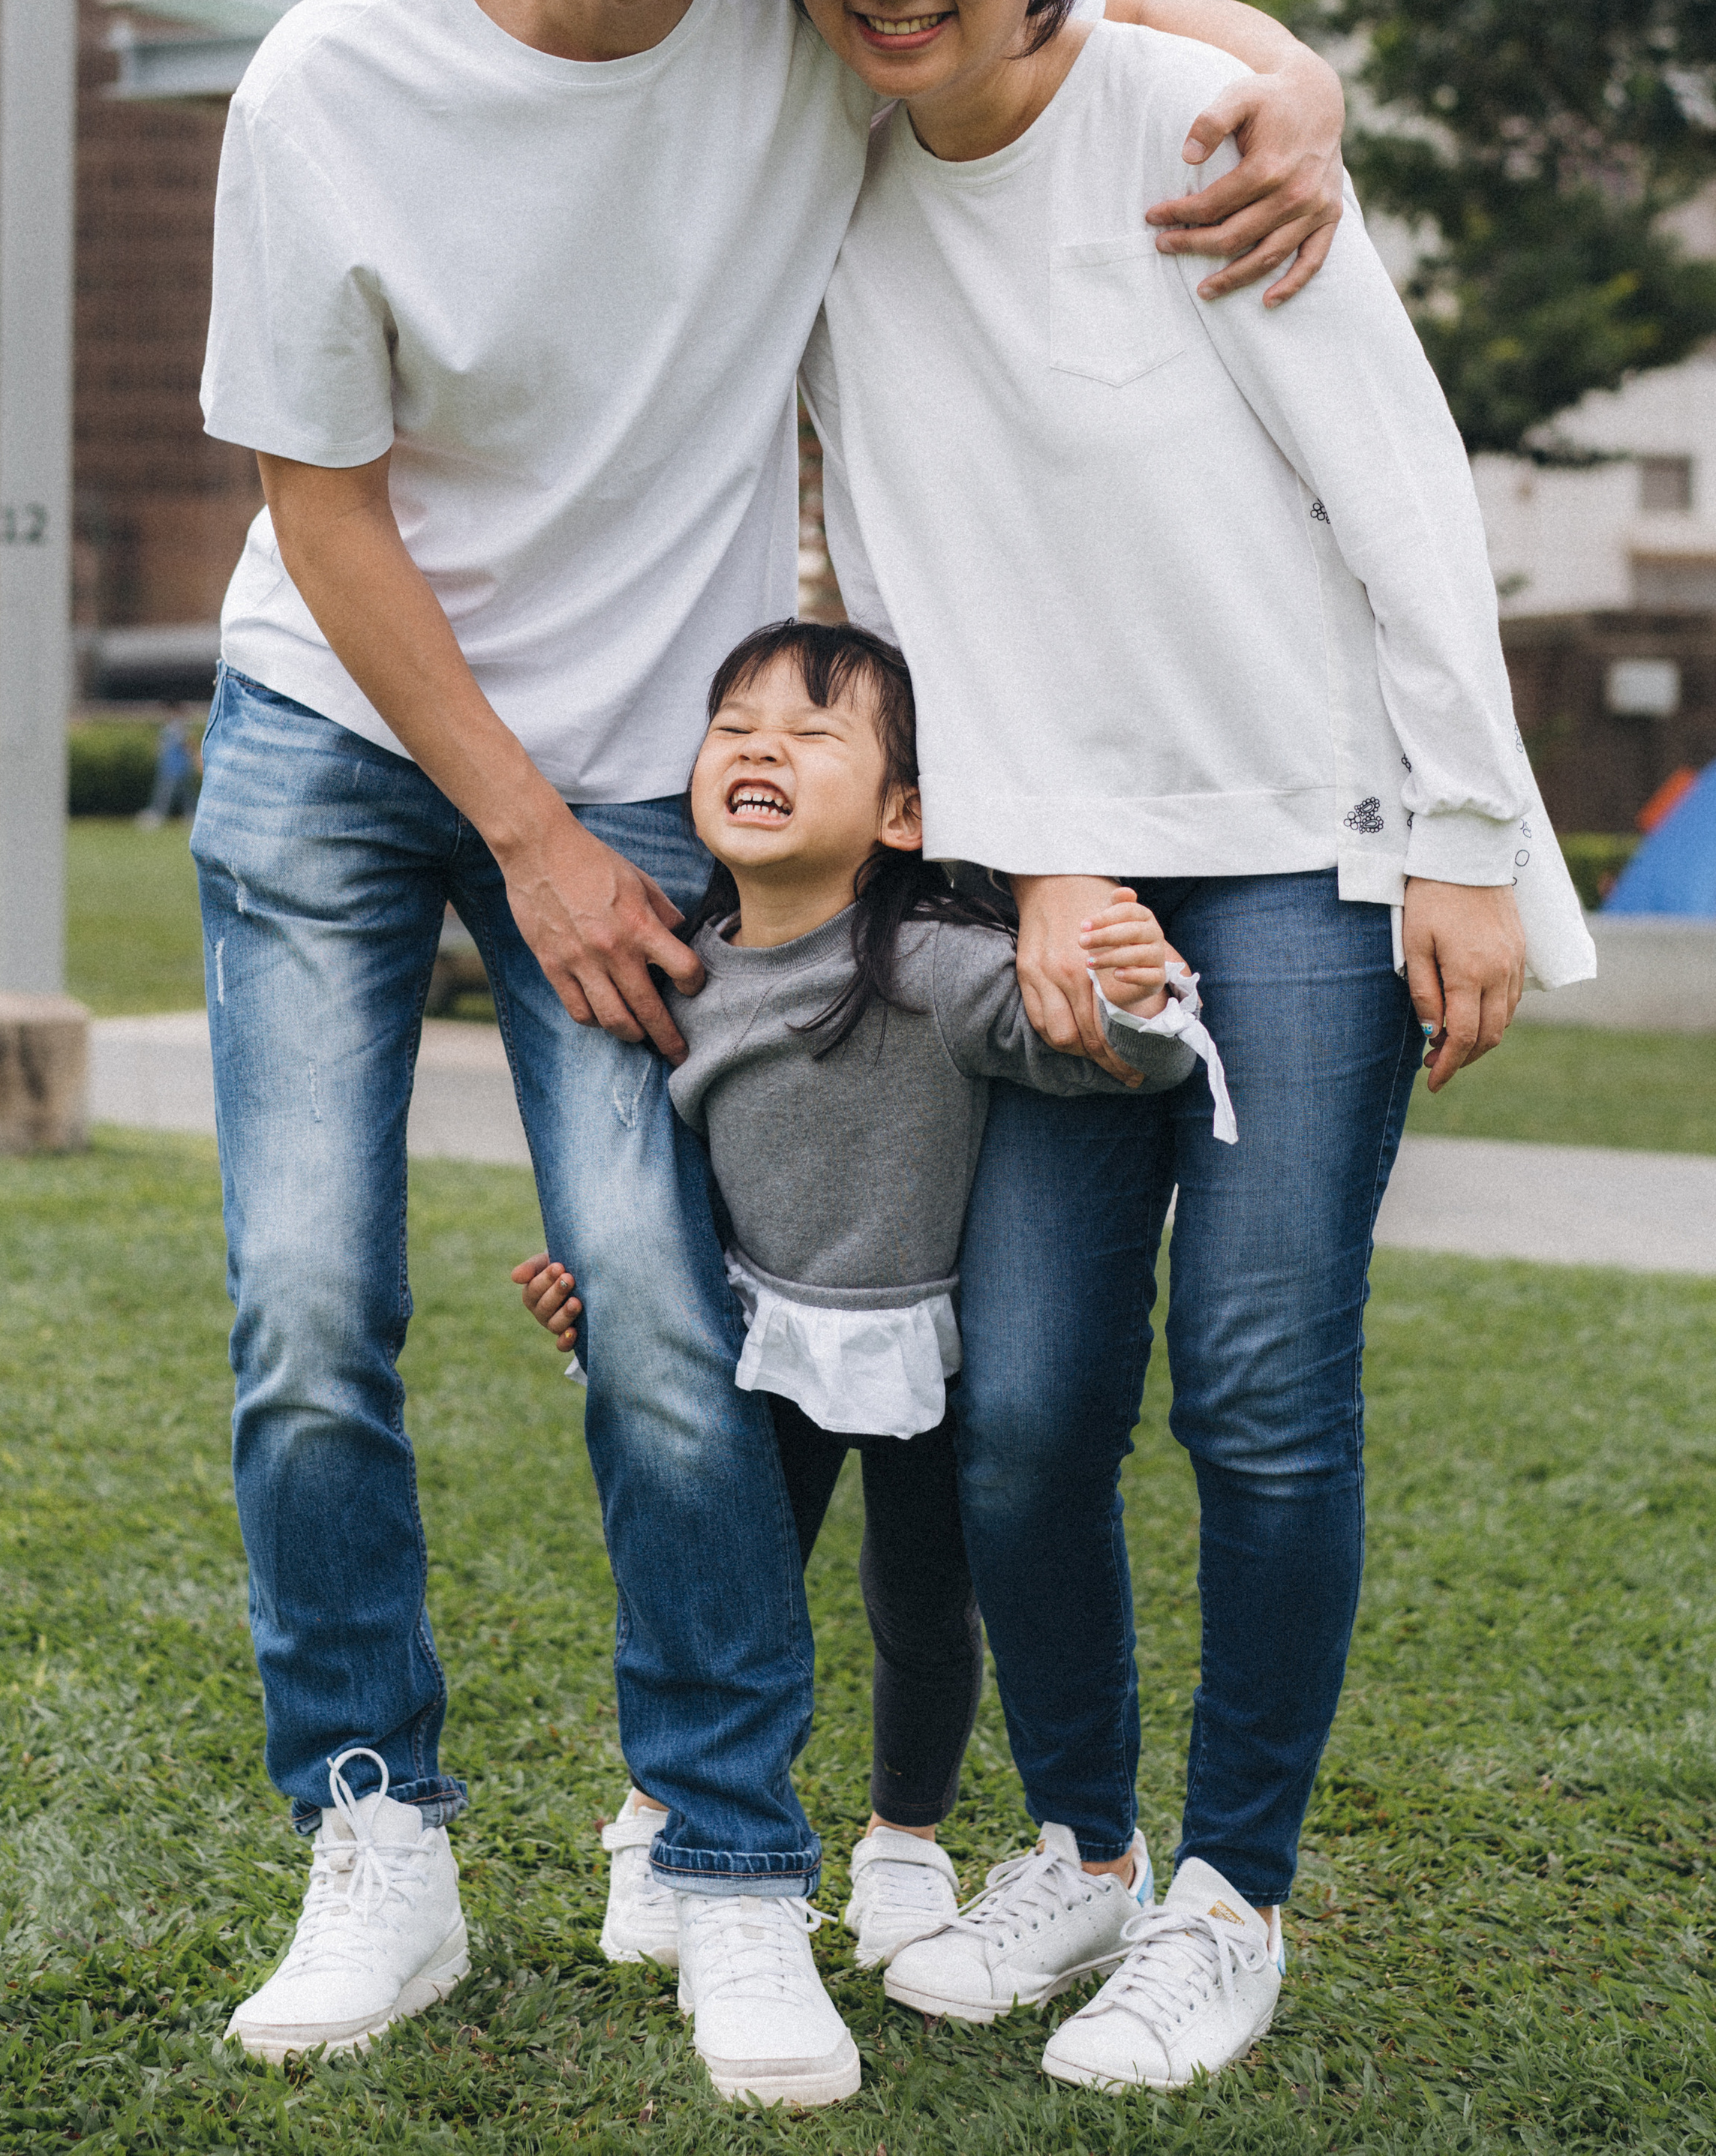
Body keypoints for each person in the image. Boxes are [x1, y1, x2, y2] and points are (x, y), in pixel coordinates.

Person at [191, 0, 1357, 2097]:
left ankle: (726, 1864)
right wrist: (523, 838)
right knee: (309, 1317)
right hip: (354, 740)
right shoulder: (335, 86)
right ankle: (375, 1833)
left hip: (635, 775)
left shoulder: (797, 9)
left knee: (673, 1328)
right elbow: (322, 500)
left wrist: (1294, 55)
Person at [762, 0, 1596, 2094]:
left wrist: (1454, 833)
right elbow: (921, 576)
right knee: (1020, 1411)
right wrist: (1031, 866)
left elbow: (1402, 495)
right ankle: (1090, 1856)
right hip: (1061, 875)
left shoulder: (1202, 133)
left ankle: (1234, 1894)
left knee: (1257, 1391)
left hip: (1315, 864)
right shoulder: (834, 167)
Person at [512, 617, 1230, 2042]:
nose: (762, 747)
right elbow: (657, 1188)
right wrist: (600, 1294)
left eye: (813, 732)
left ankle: (905, 1841)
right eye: (736, 725)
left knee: (922, 1603)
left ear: (904, 812)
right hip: (752, 1346)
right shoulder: (679, 971)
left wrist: (1141, 1002)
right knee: (714, 1579)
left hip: (922, 1348)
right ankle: (664, 1814)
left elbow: (1087, 1060)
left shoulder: (938, 964)